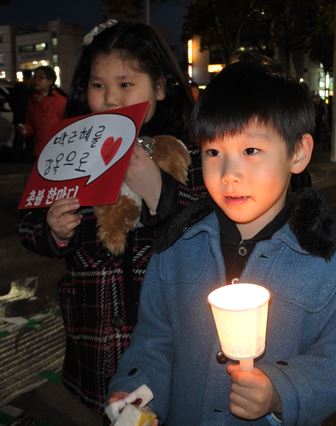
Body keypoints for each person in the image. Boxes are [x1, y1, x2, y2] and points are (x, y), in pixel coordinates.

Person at [108, 60, 336, 425]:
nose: (229, 175)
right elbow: (154, 339)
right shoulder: (177, 249)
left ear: (298, 153)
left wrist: (282, 389)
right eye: (213, 152)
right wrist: (138, 391)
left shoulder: (330, 268)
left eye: (251, 151)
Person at [18, 20, 204, 416]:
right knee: (116, 414)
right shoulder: (69, 152)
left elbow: (209, 226)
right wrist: (52, 231)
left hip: (169, 338)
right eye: (98, 85)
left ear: (158, 86)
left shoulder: (189, 151)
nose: (111, 99)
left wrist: (159, 191)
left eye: (125, 83)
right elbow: (28, 224)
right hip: (94, 335)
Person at [18, 65, 67, 158]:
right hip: (39, 149)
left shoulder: (60, 101)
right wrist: (25, 129)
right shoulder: (32, 100)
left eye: (41, 78)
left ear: (50, 81)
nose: (36, 80)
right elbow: (31, 124)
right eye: (35, 77)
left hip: (57, 149)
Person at [9, 69, 34, 162]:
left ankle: (18, 157)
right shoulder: (30, 89)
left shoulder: (18, 87)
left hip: (20, 116)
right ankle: (24, 157)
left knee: (19, 137)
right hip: (25, 116)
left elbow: (11, 102)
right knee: (27, 138)